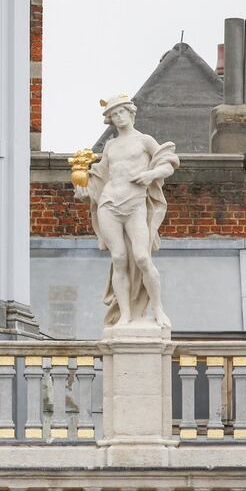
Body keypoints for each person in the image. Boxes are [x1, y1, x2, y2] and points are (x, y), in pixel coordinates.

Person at [73, 93, 179, 328]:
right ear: (110, 120)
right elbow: (100, 175)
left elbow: (169, 162)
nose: (118, 117)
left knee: (142, 256)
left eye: (121, 112)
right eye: (113, 114)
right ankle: (125, 315)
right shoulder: (110, 145)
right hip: (109, 203)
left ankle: (158, 308)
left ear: (131, 112)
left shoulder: (144, 141)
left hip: (134, 203)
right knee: (118, 258)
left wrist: (150, 174)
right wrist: (84, 189)